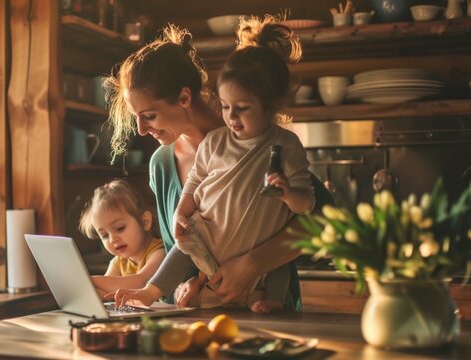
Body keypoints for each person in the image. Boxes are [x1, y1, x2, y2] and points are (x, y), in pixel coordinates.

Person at [103, 19, 333, 310]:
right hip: (202, 319)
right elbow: (179, 248)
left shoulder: (255, 142)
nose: (141, 130)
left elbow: (321, 220)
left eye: (149, 115)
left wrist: (253, 263)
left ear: (184, 97)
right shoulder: (161, 165)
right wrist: (181, 289)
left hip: (267, 311)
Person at [172, 14, 315, 313]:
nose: (231, 117)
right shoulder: (214, 142)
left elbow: (307, 209)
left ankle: (271, 300)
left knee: (277, 275)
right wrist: (181, 212)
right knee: (185, 242)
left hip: (260, 270)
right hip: (214, 265)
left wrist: (288, 193)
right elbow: (194, 183)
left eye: (243, 108)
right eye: (225, 107)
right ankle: (161, 290)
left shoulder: (286, 146)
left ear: (272, 104)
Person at [79, 179, 165, 298]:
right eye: (104, 235)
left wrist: (90, 280)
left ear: (145, 222)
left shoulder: (159, 252)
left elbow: (140, 282)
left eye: (120, 228)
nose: (112, 239)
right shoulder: (118, 262)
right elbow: (106, 293)